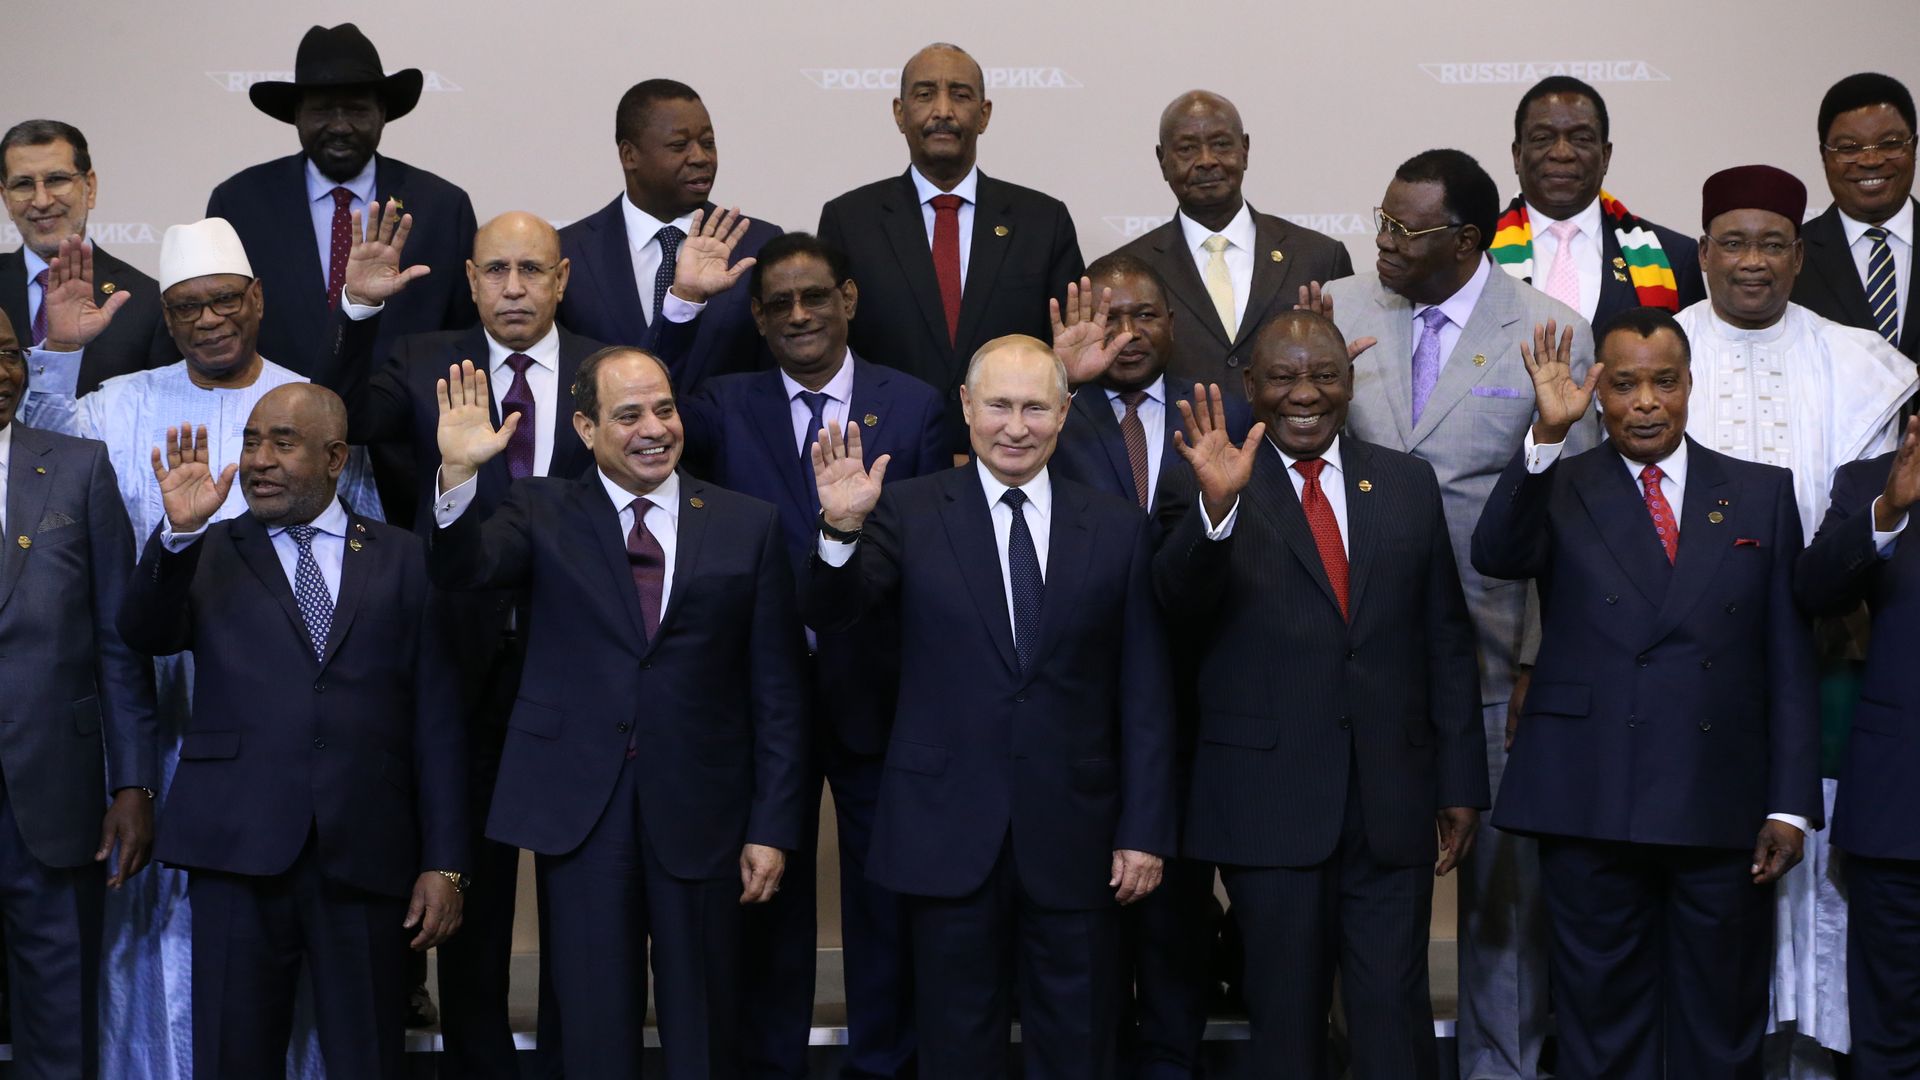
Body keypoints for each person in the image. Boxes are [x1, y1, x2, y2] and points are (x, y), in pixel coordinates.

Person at [18, 217, 382, 1078]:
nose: (209, 320)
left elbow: (360, 549)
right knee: (151, 929)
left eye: (224, 301)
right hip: (150, 708)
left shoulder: (304, 402)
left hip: (284, 726)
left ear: (257, 299)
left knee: (283, 939)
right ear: (167, 318)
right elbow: (32, 463)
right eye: (187, 308)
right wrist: (60, 356)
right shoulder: (119, 404)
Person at [428, 347, 810, 1079]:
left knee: (706, 1026)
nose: (653, 429)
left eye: (664, 410)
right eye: (628, 415)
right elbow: (463, 569)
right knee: (592, 1027)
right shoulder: (539, 508)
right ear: (585, 427)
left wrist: (772, 825)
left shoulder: (745, 523)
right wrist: (457, 477)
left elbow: (779, 691)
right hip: (583, 808)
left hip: (705, 811)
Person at [806, 334, 1175, 1078]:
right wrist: (839, 531)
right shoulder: (905, 510)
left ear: (1064, 413)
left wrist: (1144, 830)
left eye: (1035, 407)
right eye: (999, 405)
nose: (1016, 427)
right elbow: (836, 614)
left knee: (1079, 1046)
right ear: (967, 408)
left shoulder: (1116, 526)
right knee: (955, 1048)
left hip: (1078, 837)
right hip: (946, 833)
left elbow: (1144, 692)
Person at [1471, 307, 1821, 1079]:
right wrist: (1545, 435)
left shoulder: (1759, 492)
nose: (1646, 403)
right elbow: (1496, 552)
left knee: (1720, 1022)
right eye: (1625, 385)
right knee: (1601, 1024)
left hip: (1720, 799)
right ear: (1598, 391)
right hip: (1591, 794)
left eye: (1664, 382)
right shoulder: (1561, 482)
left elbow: (1788, 660)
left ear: (1691, 383)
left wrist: (1790, 806)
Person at [1154, 309, 1485, 1077]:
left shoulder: (1404, 482)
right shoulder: (1206, 478)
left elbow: (1443, 636)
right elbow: (1173, 607)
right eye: (1283, 376)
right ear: (1250, 385)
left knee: (1393, 1020)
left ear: (1350, 382)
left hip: (1390, 802)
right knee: (1286, 1024)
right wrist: (1216, 510)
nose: (1305, 393)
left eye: (1324, 375)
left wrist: (1460, 782)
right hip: (1267, 805)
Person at [1324, 148, 1598, 1080]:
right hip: (1358, 667)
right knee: (1358, 902)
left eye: (1407, 230)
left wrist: (1540, 663)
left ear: (1468, 240)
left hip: (1492, 666)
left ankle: (1504, 1069)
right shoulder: (1337, 309)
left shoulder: (1549, 331)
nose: (1384, 242)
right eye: (1382, 220)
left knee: (1503, 903)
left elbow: (1574, 521)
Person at [320, 205, 605, 1076]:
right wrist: (358, 312)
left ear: (562, 280)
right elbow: (342, 418)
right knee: (469, 892)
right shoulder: (421, 359)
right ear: (472, 281)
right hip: (456, 659)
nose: (514, 287)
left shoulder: (605, 368)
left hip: (581, 665)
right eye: (497, 271)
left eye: (532, 270)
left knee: (586, 901)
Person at [657, 228, 948, 1078]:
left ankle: (884, 1064)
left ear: (848, 300)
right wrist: (682, 307)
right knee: (766, 894)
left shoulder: (915, 406)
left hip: (879, 692)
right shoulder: (721, 403)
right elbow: (641, 407)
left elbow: (935, 552)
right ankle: (768, 1067)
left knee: (885, 899)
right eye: (777, 303)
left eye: (814, 296)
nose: (798, 315)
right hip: (754, 696)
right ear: (755, 317)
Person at [118, 384, 467, 1079]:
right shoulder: (207, 549)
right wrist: (177, 536)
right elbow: (145, 633)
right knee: (233, 1059)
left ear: (335, 458)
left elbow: (438, 718)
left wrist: (446, 863)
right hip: (236, 848)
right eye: (252, 442)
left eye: (283, 443)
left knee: (369, 1059)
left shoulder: (404, 558)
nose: (259, 461)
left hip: (366, 852)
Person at [1677, 163, 1917, 1080]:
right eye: (1734, 243)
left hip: (1821, 654)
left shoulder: (1862, 362)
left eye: (1773, 244)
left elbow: (1870, 523)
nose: (1753, 262)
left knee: (1815, 874)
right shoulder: (1657, 352)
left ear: (1800, 255)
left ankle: (1813, 1061)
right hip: (1683, 670)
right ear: (1703, 252)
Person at [1046, 252, 1246, 1075]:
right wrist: (1060, 381)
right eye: (1109, 317)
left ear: (1174, 324)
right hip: (1076, 712)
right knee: (1083, 931)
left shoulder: (1222, 408)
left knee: (1175, 920)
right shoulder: (1048, 409)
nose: (1127, 334)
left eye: (1145, 317)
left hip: (1198, 702)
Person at [0, 309, 157, 1077]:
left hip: (55, 794)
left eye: (8, 354)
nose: (1, 373)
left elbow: (117, 641)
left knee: (61, 1024)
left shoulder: (77, 466)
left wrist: (133, 783)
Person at [818, 43, 1084, 448]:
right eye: (925, 94)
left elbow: (1066, 350)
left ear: (984, 114)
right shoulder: (848, 220)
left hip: (1010, 451)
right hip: (884, 450)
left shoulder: (1043, 221)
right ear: (899, 113)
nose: (943, 110)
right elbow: (832, 351)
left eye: (960, 95)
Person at [1796, 416, 1920, 1079]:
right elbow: (1813, 590)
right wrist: (1886, 513)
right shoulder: (1873, 482)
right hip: (1901, 811)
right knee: (1890, 1035)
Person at [1117, 91, 1354, 397]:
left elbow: (1344, 371)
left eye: (1220, 144)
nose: (1206, 161)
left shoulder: (1319, 256)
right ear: (1162, 160)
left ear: (1245, 149)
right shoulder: (1131, 269)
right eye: (1187, 149)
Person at [558, 78, 781, 390]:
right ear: (629, 155)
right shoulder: (569, 251)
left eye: (708, 143)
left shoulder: (758, 244)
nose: (701, 157)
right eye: (679, 146)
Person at [1493, 77, 1705, 338]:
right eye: (1543, 138)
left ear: (1605, 156)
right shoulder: (1476, 256)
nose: (1562, 153)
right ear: (1517, 155)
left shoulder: (1675, 257)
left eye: (1581, 138)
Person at [1, 120, 172, 391]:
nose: (41, 201)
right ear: (5, 198)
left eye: (56, 180)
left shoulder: (147, 302)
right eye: (23, 184)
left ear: (90, 187)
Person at [1792, 73, 1917, 367]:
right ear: (1824, 157)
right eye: (1849, 148)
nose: (1871, 161)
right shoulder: (1791, 258)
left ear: (1914, 146)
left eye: (1889, 143)